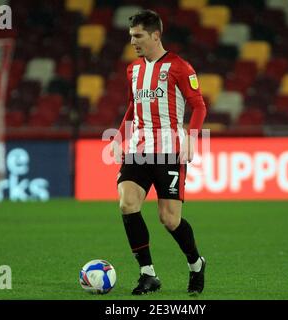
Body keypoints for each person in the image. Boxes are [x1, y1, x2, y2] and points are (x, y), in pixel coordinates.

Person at [109, 9, 207, 296]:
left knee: (169, 219)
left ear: (155, 35)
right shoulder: (133, 69)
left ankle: (196, 263)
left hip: (169, 152)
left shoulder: (180, 67)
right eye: (130, 36)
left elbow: (199, 106)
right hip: (138, 150)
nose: (133, 42)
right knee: (127, 203)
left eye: (138, 36)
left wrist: (191, 137)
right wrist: (119, 137)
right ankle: (148, 273)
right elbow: (132, 107)